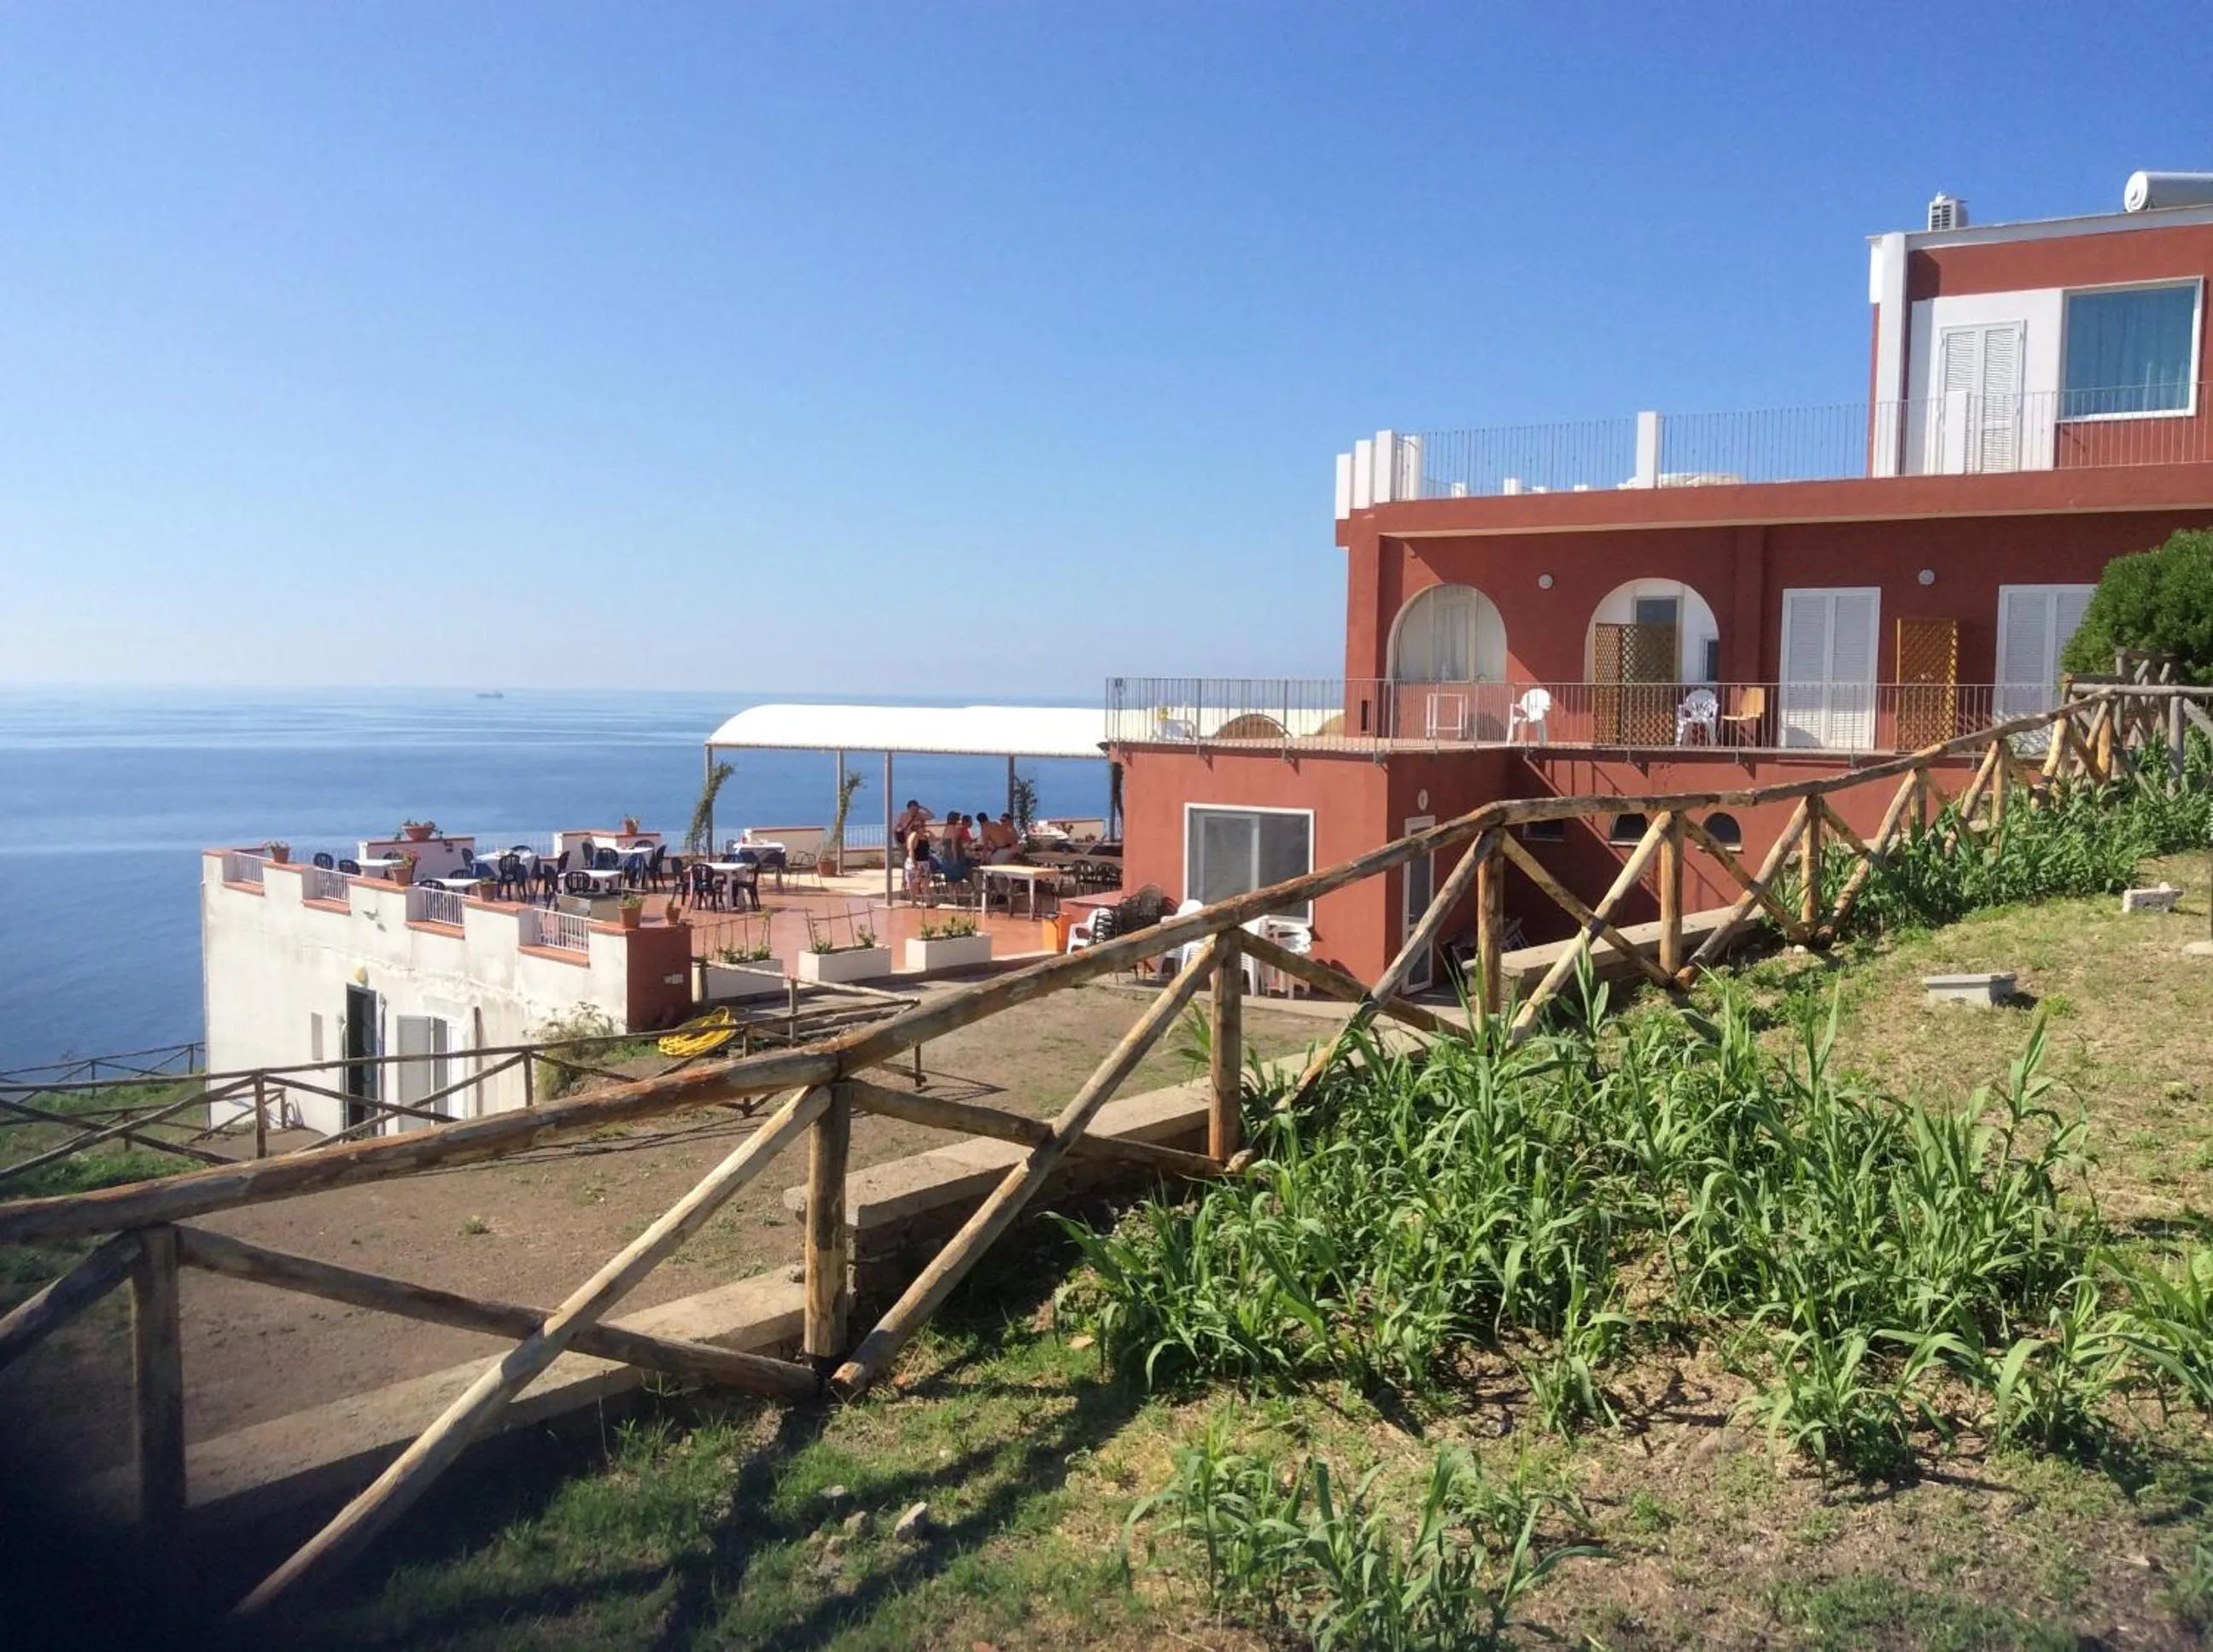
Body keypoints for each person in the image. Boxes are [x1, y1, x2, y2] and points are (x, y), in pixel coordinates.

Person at [903, 815, 937, 901]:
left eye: (924, 826)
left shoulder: (924, 836)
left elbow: (934, 839)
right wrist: (914, 864)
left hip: (924, 863)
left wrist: (928, 831)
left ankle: (928, 902)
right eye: (922, 826)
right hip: (916, 862)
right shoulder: (914, 835)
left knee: (925, 883)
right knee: (914, 884)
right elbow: (911, 850)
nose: (924, 828)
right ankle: (914, 902)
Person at [939, 811, 973, 886]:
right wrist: (955, 857)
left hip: (946, 855)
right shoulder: (955, 829)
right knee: (958, 877)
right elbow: (953, 844)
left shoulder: (946, 829)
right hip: (956, 854)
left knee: (950, 879)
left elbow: (941, 842)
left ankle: (952, 896)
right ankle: (956, 895)